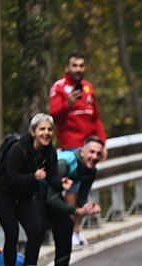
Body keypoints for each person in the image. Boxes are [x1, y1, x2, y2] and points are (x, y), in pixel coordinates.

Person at [0, 113, 70, 266]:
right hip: (5, 193)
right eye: (42, 129)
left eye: (49, 129)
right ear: (33, 132)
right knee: (12, 232)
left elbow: (52, 176)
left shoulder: (49, 151)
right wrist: (32, 177)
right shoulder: (19, 149)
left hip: (25, 195)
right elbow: (11, 177)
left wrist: (61, 183)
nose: (47, 133)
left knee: (36, 229)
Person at [49, 52, 108, 247]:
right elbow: (54, 116)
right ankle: (68, 231)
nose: (78, 69)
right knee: (72, 188)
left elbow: (96, 117)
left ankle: (76, 230)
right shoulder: (58, 88)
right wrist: (69, 103)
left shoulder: (88, 88)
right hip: (72, 146)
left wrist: (102, 143)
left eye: (81, 66)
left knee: (85, 189)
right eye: (74, 65)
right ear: (67, 68)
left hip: (90, 145)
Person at [44, 136, 104, 266]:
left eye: (98, 154)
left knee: (66, 225)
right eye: (91, 152)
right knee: (38, 228)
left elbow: (81, 199)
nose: (94, 157)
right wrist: (76, 210)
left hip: (52, 194)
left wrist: (88, 207)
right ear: (82, 152)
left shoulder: (91, 171)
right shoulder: (66, 163)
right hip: (36, 189)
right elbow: (51, 199)